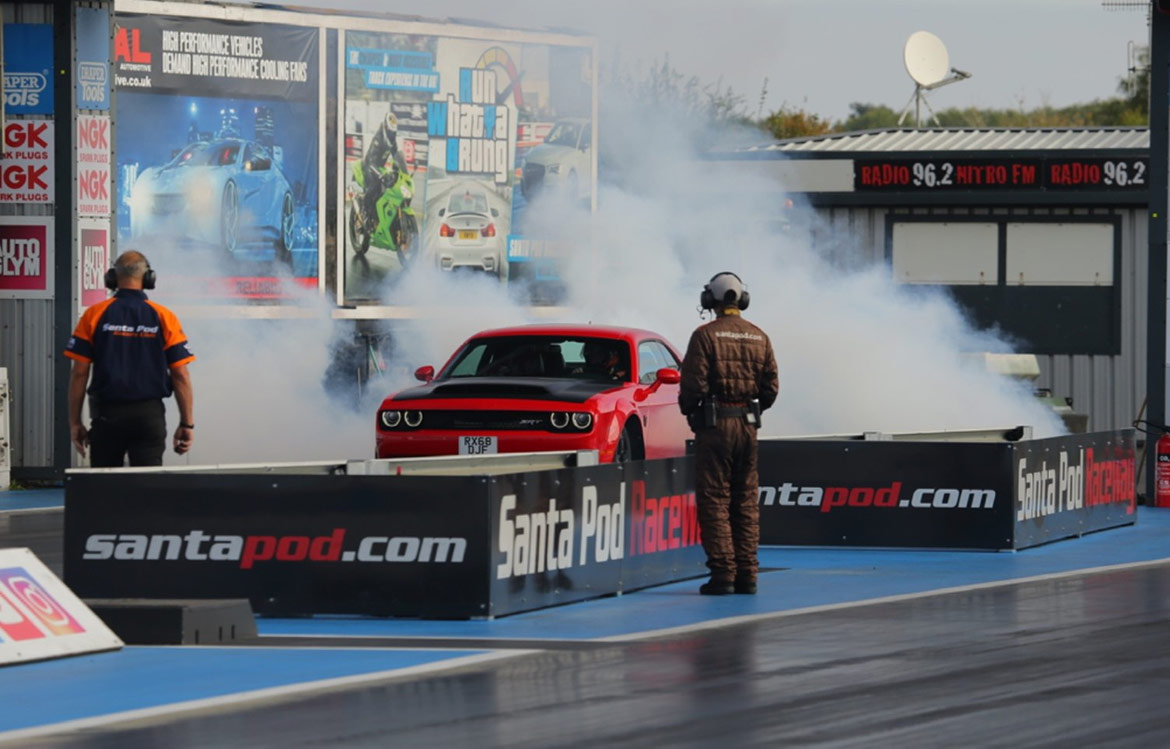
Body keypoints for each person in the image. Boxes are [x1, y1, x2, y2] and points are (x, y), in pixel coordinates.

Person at [678, 272, 779, 595]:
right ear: (741, 299)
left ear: (711, 300)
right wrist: (751, 411)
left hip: (715, 426)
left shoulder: (704, 336)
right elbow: (771, 389)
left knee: (714, 499)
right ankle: (748, 575)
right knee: (746, 501)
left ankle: (723, 575)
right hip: (748, 426)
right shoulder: (760, 336)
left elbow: (693, 387)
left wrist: (692, 412)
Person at [64, 251, 196, 467]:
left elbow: (79, 373)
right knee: (147, 489)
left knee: (105, 489)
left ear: (112, 278)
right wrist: (187, 424)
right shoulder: (164, 316)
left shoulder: (94, 315)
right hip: (149, 415)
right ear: (148, 279)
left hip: (107, 416)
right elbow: (180, 375)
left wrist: (75, 422)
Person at [361, 110, 401, 234]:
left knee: (390, 187)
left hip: (381, 168)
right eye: (390, 132)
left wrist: (399, 169)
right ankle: (367, 217)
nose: (392, 135)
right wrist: (380, 175)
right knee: (374, 188)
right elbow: (372, 162)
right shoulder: (377, 140)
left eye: (393, 133)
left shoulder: (392, 140)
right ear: (385, 128)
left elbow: (396, 157)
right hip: (369, 167)